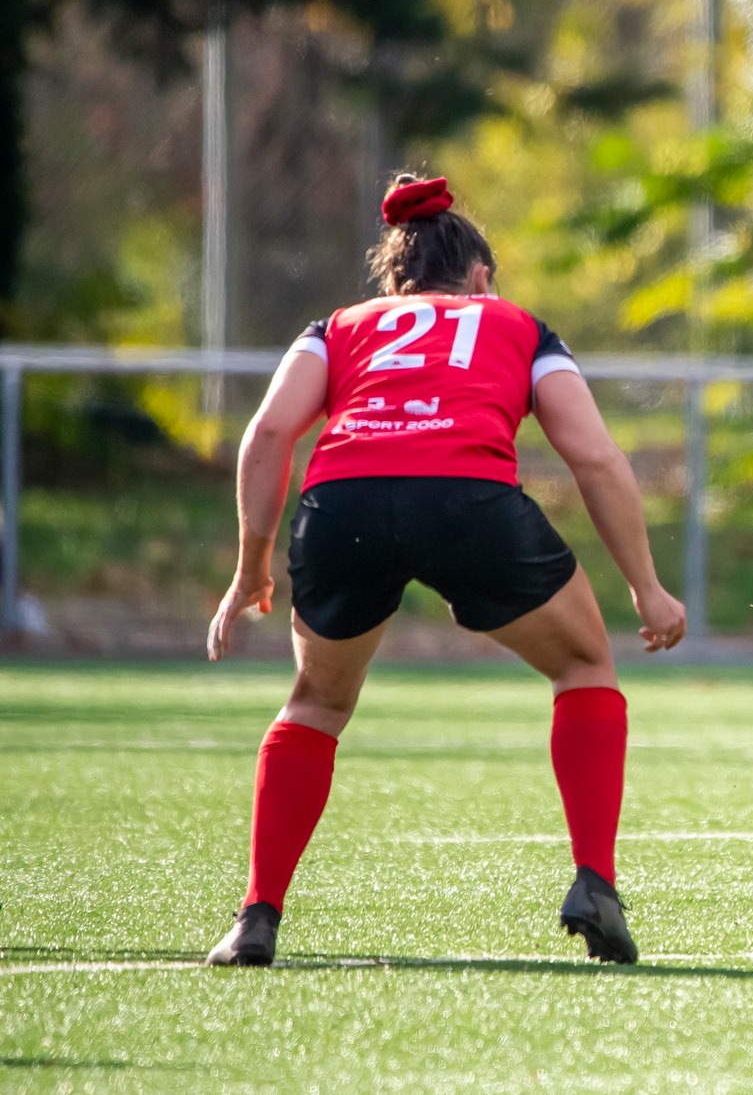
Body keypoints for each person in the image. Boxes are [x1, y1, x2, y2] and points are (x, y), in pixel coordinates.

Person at [203, 173, 688, 967]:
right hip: (467, 499)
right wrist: (646, 586)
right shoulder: (515, 326)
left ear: (394, 279)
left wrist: (250, 568)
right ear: (481, 279)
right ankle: (595, 880)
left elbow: (267, 433)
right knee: (585, 665)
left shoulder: (338, 326)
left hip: (344, 502)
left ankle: (257, 914)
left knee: (317, 703)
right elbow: (594, 456)